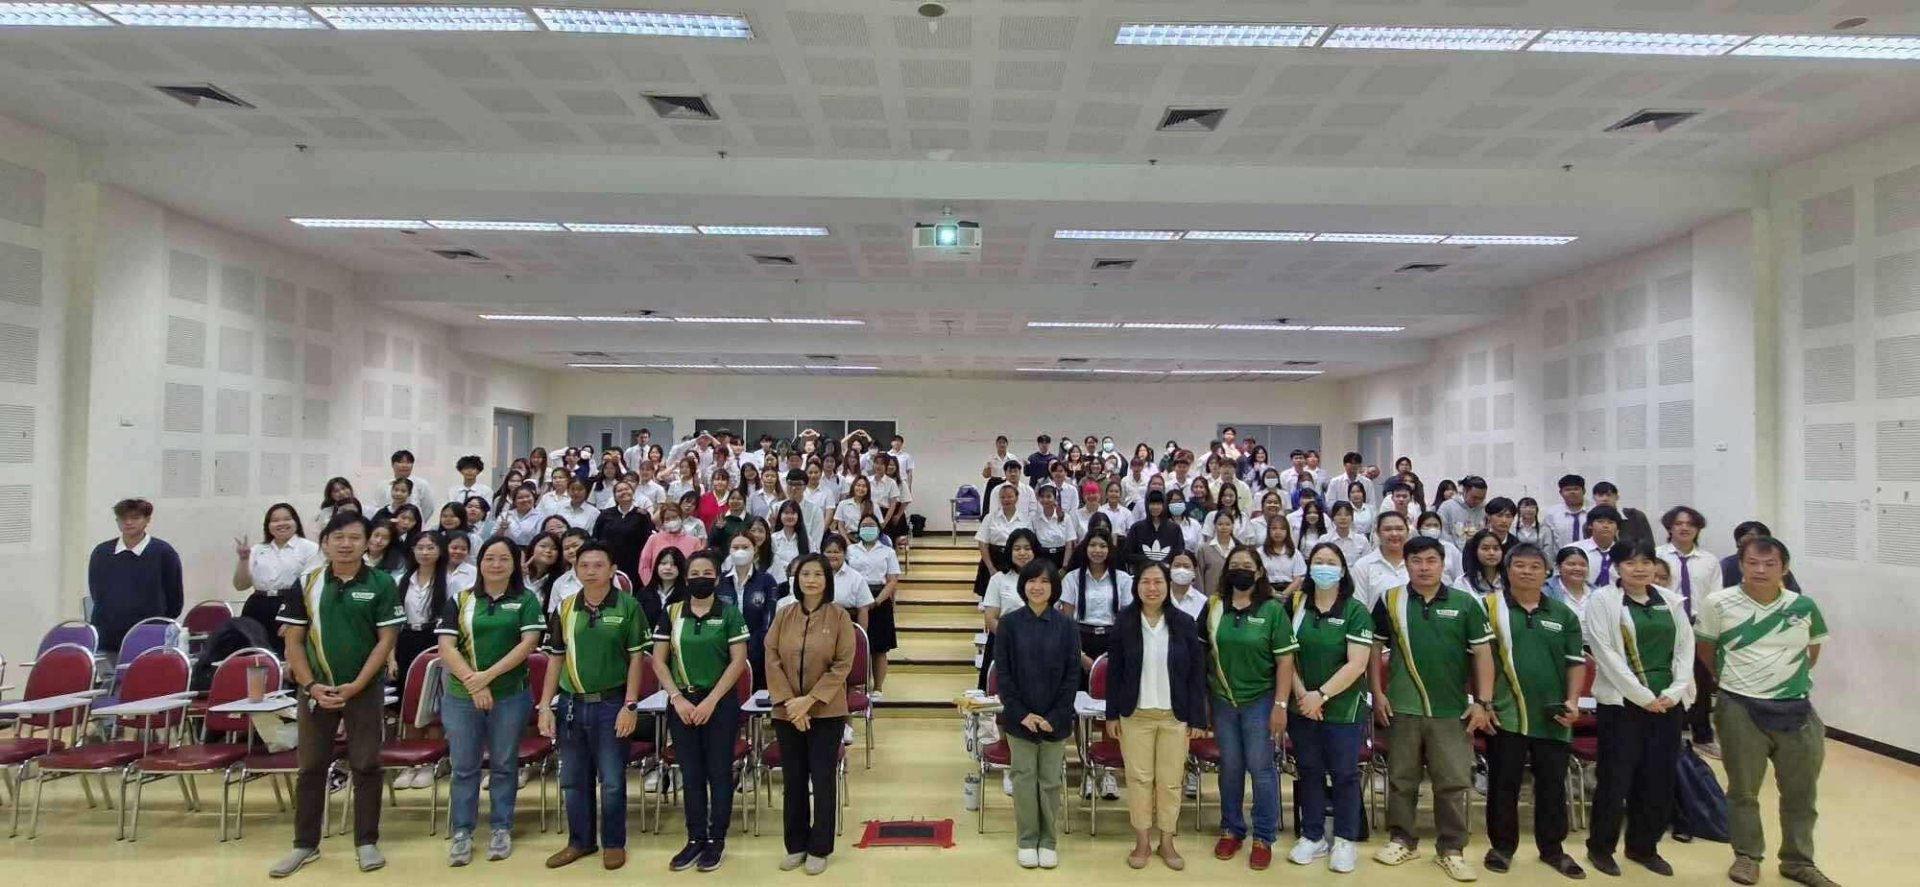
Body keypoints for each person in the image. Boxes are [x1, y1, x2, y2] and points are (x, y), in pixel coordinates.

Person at [269, 513, 404, 878]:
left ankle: (366, 841)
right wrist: (311, 685)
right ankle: (304, 844)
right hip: (316, 691)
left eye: (355, 538)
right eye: (338, 537)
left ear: (368, 543)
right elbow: (293, 642)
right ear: (325, 542)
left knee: (366, 764)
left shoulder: (381, 583)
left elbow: (386, 640)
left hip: (363, 690)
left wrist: (358, 684)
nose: (346, 544)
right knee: (311, 767)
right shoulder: (307, 583)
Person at [1695, 537, 1835, 887]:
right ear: (1740, 564)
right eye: (1752, 562)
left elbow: (1812, 651)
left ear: (1784, 568)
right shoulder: (1719, 603)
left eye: (1769, 563)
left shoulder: (1802, 606)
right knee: (1743, 790)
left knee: (1802, 793)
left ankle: (1798, 861)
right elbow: (1706, 649)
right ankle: (1747, 857)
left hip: (1797, 709)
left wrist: (1784, 680)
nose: (1760, 570)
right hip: (1740, 706)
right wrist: (1734, 680)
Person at [1369, 535, 1495, 882]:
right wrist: (1378, 694)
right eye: (1416, 561)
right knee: (1401, 780)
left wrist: (1483, 702)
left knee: (1453, 782)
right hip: (1403, 708)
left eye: (1431, 561)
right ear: (1405, 563)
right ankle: (1402, 839)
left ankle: (1451, 849)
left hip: (1451, 710)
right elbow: (1372, 651)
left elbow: (1483, 654)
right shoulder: (1389, 600)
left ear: (1443, 564)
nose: (1424, 567)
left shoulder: (1466, 603)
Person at [1580, 537, 1695, 878]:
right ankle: (1601, 847)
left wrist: (1674, 692)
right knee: (1616, 778)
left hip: (1668, 704)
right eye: (1631, 562)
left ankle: (1644, 846)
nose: (1640, 568)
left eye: (1646, 562)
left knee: (1658, 778)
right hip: (1623, 704)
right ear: (1617, 567)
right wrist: (1642, 696)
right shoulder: (1603, 601)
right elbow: (1605, 653)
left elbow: (1684, 650)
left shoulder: (1671, 601)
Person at [1479, 543, 1589, 879]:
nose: (1527, 572)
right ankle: (1501, 847)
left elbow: (1576, 663)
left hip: (1552, 716)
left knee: (1553, 785)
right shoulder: (1488, 607)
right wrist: (1482, 703)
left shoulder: (1563, 614)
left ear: (1547, 573)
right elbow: (1476, 660)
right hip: (1505, 712)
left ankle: (1553, 850)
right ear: (1507, 570)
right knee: (1503, 783)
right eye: (1520, 566)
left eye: (1535, 566)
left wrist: (1572, 702)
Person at [538, 542, 648, 871]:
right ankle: (580, 841)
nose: (590, 571)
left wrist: (630, 704)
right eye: (584, 565)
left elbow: (636, 660)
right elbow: (556, 658)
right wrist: (545, 704)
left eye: (598, 565)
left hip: (611, 704)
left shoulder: (628, 607)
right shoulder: (567, 608)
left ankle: (614, 843)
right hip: (571, 705)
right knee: (573, 778)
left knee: (612, 780)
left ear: (612, 569)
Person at [436, 537, 544, 865]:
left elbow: (528, 644)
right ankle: (462, 832)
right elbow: (447, 648)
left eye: (504, 559)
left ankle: (501, 827)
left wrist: (488, 677)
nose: (496, 565)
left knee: (503, 764)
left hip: (510, 695)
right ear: (479, 562)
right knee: (465, 767)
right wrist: (474, 682)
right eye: (489, 558)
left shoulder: (526, 600)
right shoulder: (460, 599)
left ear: (515, 565)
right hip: (461, 697)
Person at [1104, 561, 1207, 871]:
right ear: (1137, 587)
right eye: (1146, 582)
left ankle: (1167, 840)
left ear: (1167, 586)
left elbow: (1196, 674)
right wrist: (1112, 715)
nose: (1152, 588)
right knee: (1138, 780)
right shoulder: (1124, 622)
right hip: (1136, 715)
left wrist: (1199, 719)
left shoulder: (1185, 623)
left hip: (1174, 716)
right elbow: (1115, 673)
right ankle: (1142, 840)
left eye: (1158, 582)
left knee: (1170, 782)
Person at [652, 550, 751, 873]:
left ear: (717, 578)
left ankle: (716, 839)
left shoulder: (729, 612)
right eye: (695, 572)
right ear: (685, 577)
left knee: (719, 772)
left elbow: (738, 662)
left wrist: (711, 701)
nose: (701, 578)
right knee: (690, 773)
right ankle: (695, 838)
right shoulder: (672, 611)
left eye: (707, 572)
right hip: (682, 703)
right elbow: (658, 660)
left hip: (719, 703)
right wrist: (678, 699)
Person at [1201, 544, 1297, 871]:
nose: (1241, 569)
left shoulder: (1272, 610)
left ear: (1258, 572)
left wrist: (1281, 704)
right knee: (1230, 768)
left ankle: (1263, 836)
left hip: (1261, 701)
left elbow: (1285, 660)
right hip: (1223, 700)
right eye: (1235, 564)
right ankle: (1231, 828)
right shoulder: (1214, 607)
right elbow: (1203, 654)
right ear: (1227, 571)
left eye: (1247, 565)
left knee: (1261, 769)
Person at [765, 553, 858, 875]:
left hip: (826, 712)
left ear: (827, 580)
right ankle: (796, 845)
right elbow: (771, 656)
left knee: (822, 778)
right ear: (797, 578)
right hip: (786, 710)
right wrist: (792, 702)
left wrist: (810, 701)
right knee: (792, 780)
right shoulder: (784, 615)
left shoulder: (839, 617)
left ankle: (820, 847)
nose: (812, 580)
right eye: (806, 574)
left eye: (818, 574)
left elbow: (842, 665)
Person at [1284, 543, 1374, 873]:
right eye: (1318, 562)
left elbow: (1357, 664)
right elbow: (1286, 656)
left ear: (1342, 570)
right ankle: (1313, 835)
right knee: (1308, 770)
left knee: (1344, 774)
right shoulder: (1297, 605)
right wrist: (1302, 695)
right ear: (1308, 568)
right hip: (1302, 707)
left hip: (1343, 708)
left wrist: (1319, 695)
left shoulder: (1355, 611)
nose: (1324, 567)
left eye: (1331, 562)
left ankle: (1346, 839)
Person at [995, 558, 1082, 870]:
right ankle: (1027, 839)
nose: (1038, 586)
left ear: (1053, 587)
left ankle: (1048, 840)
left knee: (1049, 781)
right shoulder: (1009, 624)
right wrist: (1023, 714)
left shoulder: (1067, 627)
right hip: (1021, 718)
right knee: (1023, 779)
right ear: (1024, 585)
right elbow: (1004, 676)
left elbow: (1073, 676)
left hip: (1054, 719)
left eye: (1044, 581)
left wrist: (1054, 715)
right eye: (1032, 581)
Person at [392, 532, 458, 790]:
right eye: (420, 547)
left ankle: (431, 762)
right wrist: (390, 655)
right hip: (406, 639)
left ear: (440, 551)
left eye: (431, 547)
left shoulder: (450, 581)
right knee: (408, 701)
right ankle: (411, 763)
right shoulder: (401, 580)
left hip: (436, 639)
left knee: (433, 700)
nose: (425, 552)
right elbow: (393, 621)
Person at [88, 498, 185, 655]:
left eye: (135, 518)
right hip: (108, 634)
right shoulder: (102, 552)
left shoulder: (163, 552)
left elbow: (175, 598)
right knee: (111, 678)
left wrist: (157, 623)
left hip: (150, 634)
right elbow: (97, 592)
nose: (128, 523)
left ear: (147, 520)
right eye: (123, 519)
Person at [233, 502, 322, 642]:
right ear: (268, 526)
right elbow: (240, 586)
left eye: (287, 519)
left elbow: (312, 588)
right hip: (257, 606)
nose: (281, 523)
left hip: (290, 606)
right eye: (275, 520)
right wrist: (243, 559)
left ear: (296, 522)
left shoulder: (310, 549)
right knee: (255, 655)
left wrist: (295, 616)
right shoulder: (257, 549)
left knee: (287, 654)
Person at [846, 513, 902, 695]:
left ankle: (877, 687)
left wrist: (877, 601)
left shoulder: (888, 551)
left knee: (879, 647)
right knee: (854, 646)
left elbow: (892, 580)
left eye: (871, 525)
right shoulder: (850, 550)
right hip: (854, 600)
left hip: (880, 600)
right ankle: (856, 685)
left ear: (878, 529)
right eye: (864, 525)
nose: (867, 528)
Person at [592, 480, 655, 584]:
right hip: (609, 562)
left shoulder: (642, 515)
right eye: (619, 490)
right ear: (615, 496)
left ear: (633, 492)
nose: (624, 492)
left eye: (627, 489)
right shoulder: (605, 514)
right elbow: (596, 537)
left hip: (634, 564)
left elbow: (648, 541)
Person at [973, 482, 1029, 596]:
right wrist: (990, 567)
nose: (1006, 500)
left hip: (1016, 559)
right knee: (990, 597)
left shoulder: (1025, 518)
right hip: (993, 559)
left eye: (1009, 496)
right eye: (1002, 497)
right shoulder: (990, 517)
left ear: (1016, 498)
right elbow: (982, 543)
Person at [1718, 521, 1802, 592]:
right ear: (1738, 543)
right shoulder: (1727, 565)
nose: (1760, 570)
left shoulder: (1776, 564)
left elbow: (1794, 594)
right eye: (1748, 541)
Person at [638, 501, 701, 584]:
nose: (671, 521)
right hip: (656, 588)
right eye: (667, 519)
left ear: (681, 517)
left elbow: (698, 567)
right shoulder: (653, 539)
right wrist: (651, 586)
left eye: (674, 517)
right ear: (663, 522)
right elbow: (644, 566)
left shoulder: (694, 542)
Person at [1126, 489, 1184, 569]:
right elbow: (1128, 555)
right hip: (1142, 574)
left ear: (1164, 505)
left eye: (1158, 503)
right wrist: (1149, 560)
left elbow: (1179, 553)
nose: (1155, 507)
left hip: (1166, 574)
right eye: (1152, 503)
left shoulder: (1174, 529)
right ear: (1147, 505)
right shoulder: (1137, 528)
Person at [1574, 506, 1624, 587]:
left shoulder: (1625, 551)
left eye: (1611, 522)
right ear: (1590, 525)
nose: (1605, 526)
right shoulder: (1575, 549)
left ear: (1617, 527)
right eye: (1600, 521)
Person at [1542, 475, 1590, 554]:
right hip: (1562, 560)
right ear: (1561, 493)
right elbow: (1548, 543)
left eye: (1576, 489)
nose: (1572, 492)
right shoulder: (1552, 514)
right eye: (1567, 490)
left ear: (1584, 491)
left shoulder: (1594, 511)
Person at [1544, 546, 1597, 619]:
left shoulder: (1596, 592)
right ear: (1558, 567)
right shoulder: (1545, 591)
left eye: (1583, 565)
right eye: (1571, 564)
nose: (1578, 568)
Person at [1437, 476, 1488, 541]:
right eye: (1474, 497)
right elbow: (1442, 533)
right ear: (1465, 491)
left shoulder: (1485, 509)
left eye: (1481, 498)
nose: (1478, 501)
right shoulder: (1447, 506)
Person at [392, 449, 436, 517]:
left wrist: (415, 521)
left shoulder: (422, 484)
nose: (404, 465)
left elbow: (429, 508)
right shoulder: (383, 486)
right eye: (400, 462)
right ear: (393, 464)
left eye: (408, 462)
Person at [1464, 529, 1508, 596]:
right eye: (1485, 548)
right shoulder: (1464, 582)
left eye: (1496, 548)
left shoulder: (1511, 579)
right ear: (1475, 552)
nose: (1491, 553)